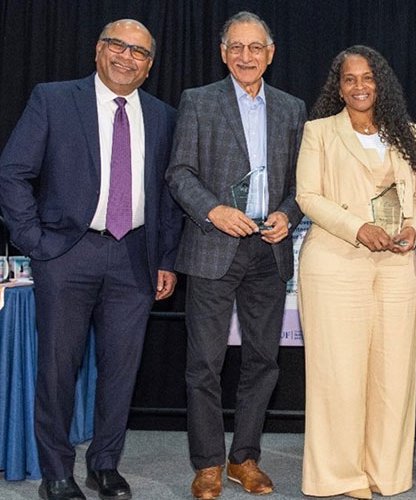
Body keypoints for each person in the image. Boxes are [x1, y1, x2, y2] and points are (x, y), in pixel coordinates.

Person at [0, 19, 181, 500]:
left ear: (149, 66)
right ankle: (56, 472)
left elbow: (167, 195)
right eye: (118, 46)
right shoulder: (54, 99)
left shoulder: (163, 115)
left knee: (122, 372)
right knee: (57, 370)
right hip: (66, 255)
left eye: (139, 52)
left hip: (135, 258)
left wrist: (166, 257)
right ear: (98, 51)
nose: (127, 56)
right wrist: (35, 242)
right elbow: (14, 172)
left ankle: (105, 465)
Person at [165, 11, 306, 500]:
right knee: (204, 363)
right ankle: (206, 463)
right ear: (224, 53)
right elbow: (179, 173)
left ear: (270, 54)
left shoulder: (292, 108)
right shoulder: (198, 102)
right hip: (213, 248)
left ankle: (244, 458)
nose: (247, 56)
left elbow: (300, 186)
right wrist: (214, 211)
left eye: (256, 48)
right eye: (237, 48)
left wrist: (289, 213)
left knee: (264, 361)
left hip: (269, 251)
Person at [295, 45, 416, 500]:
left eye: (367, 77)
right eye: (349, 79)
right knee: (338, 374)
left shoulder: (406, 132)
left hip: (396, 265)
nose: (359, 86)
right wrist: (358, 228)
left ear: (381, 82)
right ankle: (339, 477)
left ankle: (385, 473)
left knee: (394, 375)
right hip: (335, 263)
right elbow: (307, 196)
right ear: (338, 86)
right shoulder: (320, 132)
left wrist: (413, 228)